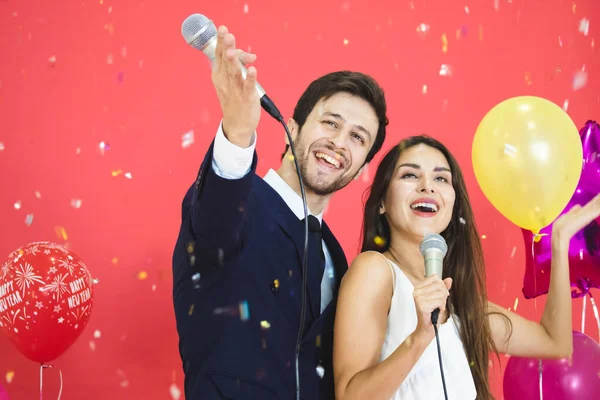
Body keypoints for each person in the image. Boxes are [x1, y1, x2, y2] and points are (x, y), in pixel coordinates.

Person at [171, 24, 389, 399]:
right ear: (292, 127)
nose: (338, 143)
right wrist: (237, 133)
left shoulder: (336, 256)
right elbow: (215, 225)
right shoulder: (238, 201)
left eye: (357, 138)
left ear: (361, 165)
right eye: (330, 123)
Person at [333, 135, 600, 400]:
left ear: (453, 204)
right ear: (382, 202)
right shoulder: (375, 270)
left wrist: (560, 241)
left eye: (441, 178)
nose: (427, 186)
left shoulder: (462, 305)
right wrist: (420, 337)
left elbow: (555, 343)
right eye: (410, 175)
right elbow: (349, 397)